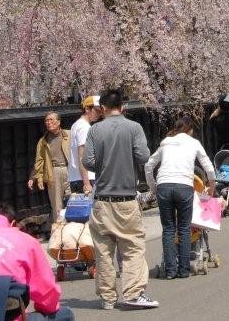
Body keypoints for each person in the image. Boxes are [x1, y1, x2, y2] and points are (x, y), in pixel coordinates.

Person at [82, 88, 158, 310]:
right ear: (123, 107)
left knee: (103, 252)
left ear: (103, 108)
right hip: (126, 198)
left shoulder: (95, 130)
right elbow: (144, 157)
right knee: (133, 247)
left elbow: (88, 161)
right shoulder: (134, 128)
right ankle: (133, 293)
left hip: (102, 199)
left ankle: (107, 298)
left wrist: (103, 162)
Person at [144, 114, 215, 279]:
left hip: (164, 186)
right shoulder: (193, 143)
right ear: (190, 130)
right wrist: (211, 189)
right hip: (184, 186)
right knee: (183, 228)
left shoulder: (165, 143)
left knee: (168, 229)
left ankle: (170, 270)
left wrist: (153, 187)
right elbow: (208, 167)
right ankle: (184, 270)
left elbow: (149, 165)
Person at [28, 112, 71, 224]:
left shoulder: (69, 134)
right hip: (53, 171)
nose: (48, 122)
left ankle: (74, 229)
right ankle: (58, 231)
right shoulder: (43, 141)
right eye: (46, 120)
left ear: (59, 122)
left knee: (73, 200)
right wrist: (33, 177)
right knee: (56, 205)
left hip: (70, 170)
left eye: (51, 120)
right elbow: (39, 161)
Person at [68, 96, 102, 194]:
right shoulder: (84, 127)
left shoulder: (76, 125)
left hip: (77, 177)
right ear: (87, 109)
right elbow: (82, 156)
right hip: (86, 178)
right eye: (97, 110)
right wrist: (86, 183)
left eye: (101, 111)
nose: (99, 114)